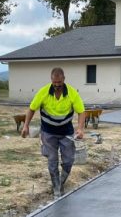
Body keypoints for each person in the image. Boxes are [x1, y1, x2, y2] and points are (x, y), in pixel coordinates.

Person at [21, 67, 86, 198]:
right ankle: (56, 186)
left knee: (69, 160)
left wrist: (80, 128)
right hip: (48, 132)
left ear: (64, 80)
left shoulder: (72, 93)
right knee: (52, 159)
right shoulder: (44, 92)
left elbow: (81, 111)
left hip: (66, 132)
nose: (57, 85)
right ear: (51, 80)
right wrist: (26, 126)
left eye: (59, 83)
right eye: (54, 83)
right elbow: (32, 108)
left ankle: (61, 182)